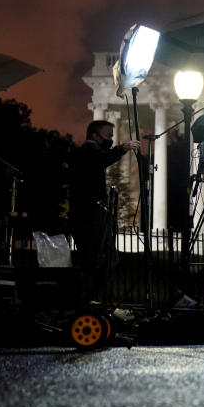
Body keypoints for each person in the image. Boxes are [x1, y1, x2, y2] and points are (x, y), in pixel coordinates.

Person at [67, 120, 139, 304]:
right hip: (88, 218)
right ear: (94, 135)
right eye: (108, 135)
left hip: (93, 216)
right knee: (94, 260)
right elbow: (102, 159)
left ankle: (91, 299)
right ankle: (85, 301)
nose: (111, 139)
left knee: (107, 259)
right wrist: (122, 148)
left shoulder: (91, 153)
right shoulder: (86, 153)